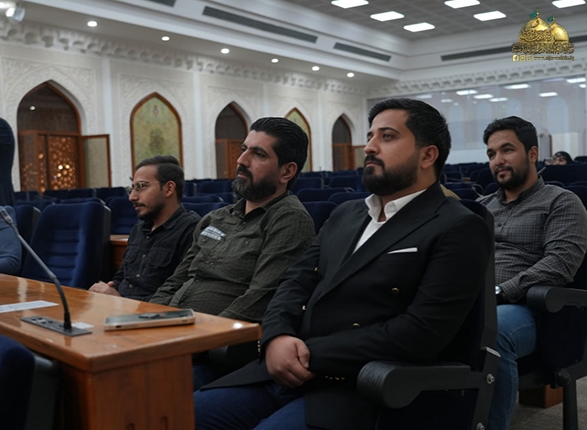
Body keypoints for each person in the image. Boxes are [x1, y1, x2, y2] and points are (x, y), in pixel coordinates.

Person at [193, 98, 492, 430]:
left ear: (427, 155)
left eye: (387, 137)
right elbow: (294, 282)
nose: (370, 147)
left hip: (361, 387)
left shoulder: (458, 226)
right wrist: (277, 336)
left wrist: (308, 353)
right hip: (283, 371)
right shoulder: (346, 214)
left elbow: (422, 332)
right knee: (177, 413)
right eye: (370, 136)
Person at [150, 117, 316, 388]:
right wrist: (145, 321)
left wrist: (189, 338)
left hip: (212, 354)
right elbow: (175, 281)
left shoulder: (289, 219)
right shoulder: (215, 218)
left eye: (258, 154)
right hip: (171, 337)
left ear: (287, 172)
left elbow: (258, 299)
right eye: (243, 149)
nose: (241, 160)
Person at [478, 116, 587, 430]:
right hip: (477, 301)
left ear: (533, 153)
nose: (498, 160)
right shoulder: (481, 208)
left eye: (507, 150)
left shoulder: (561, 202)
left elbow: (560, 264)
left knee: (492, 329)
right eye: (491, 154)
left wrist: (500, 292)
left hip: (534, 308)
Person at [89, 155, 200, 301]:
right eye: (132, 189)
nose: (132, 197)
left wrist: (121, 301)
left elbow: (182, 295)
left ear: (169, 189)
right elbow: (122, 276)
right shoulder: (140, 227)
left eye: (141, 187)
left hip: (153, 312)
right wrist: (109, 289)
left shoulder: (192, 230)